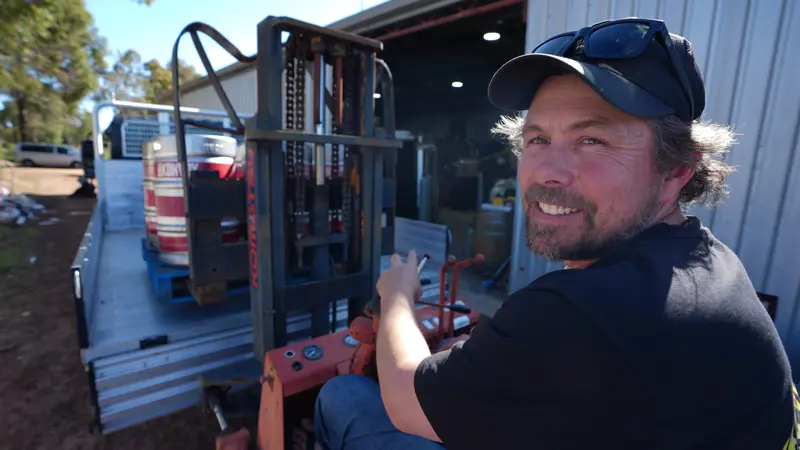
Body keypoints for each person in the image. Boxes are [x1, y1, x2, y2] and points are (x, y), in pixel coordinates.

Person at [314, 17, 798, 450]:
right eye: (538, 139)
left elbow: (406, 400)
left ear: (676, 170)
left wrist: (397, 296)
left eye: (593, 139)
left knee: (343, 395)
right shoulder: (709, 260)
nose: (547, 171)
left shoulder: (583, 312)